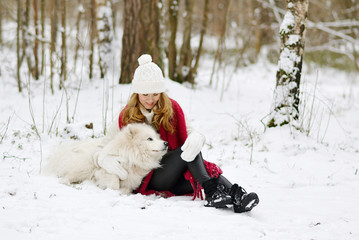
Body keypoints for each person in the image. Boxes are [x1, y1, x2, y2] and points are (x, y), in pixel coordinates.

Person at [98, 54, 259, 213]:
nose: (150, 99)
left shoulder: (172, 108)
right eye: (145, 94)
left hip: (174, 174)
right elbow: (103, 145)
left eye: (155, 94)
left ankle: (237, 197)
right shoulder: (126, 116)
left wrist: (197, 137)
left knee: (194, 153)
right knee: (186, 151)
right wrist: (104, 158)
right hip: (148, 177)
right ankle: (212, 194)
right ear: (137, 93)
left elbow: (190, 133)